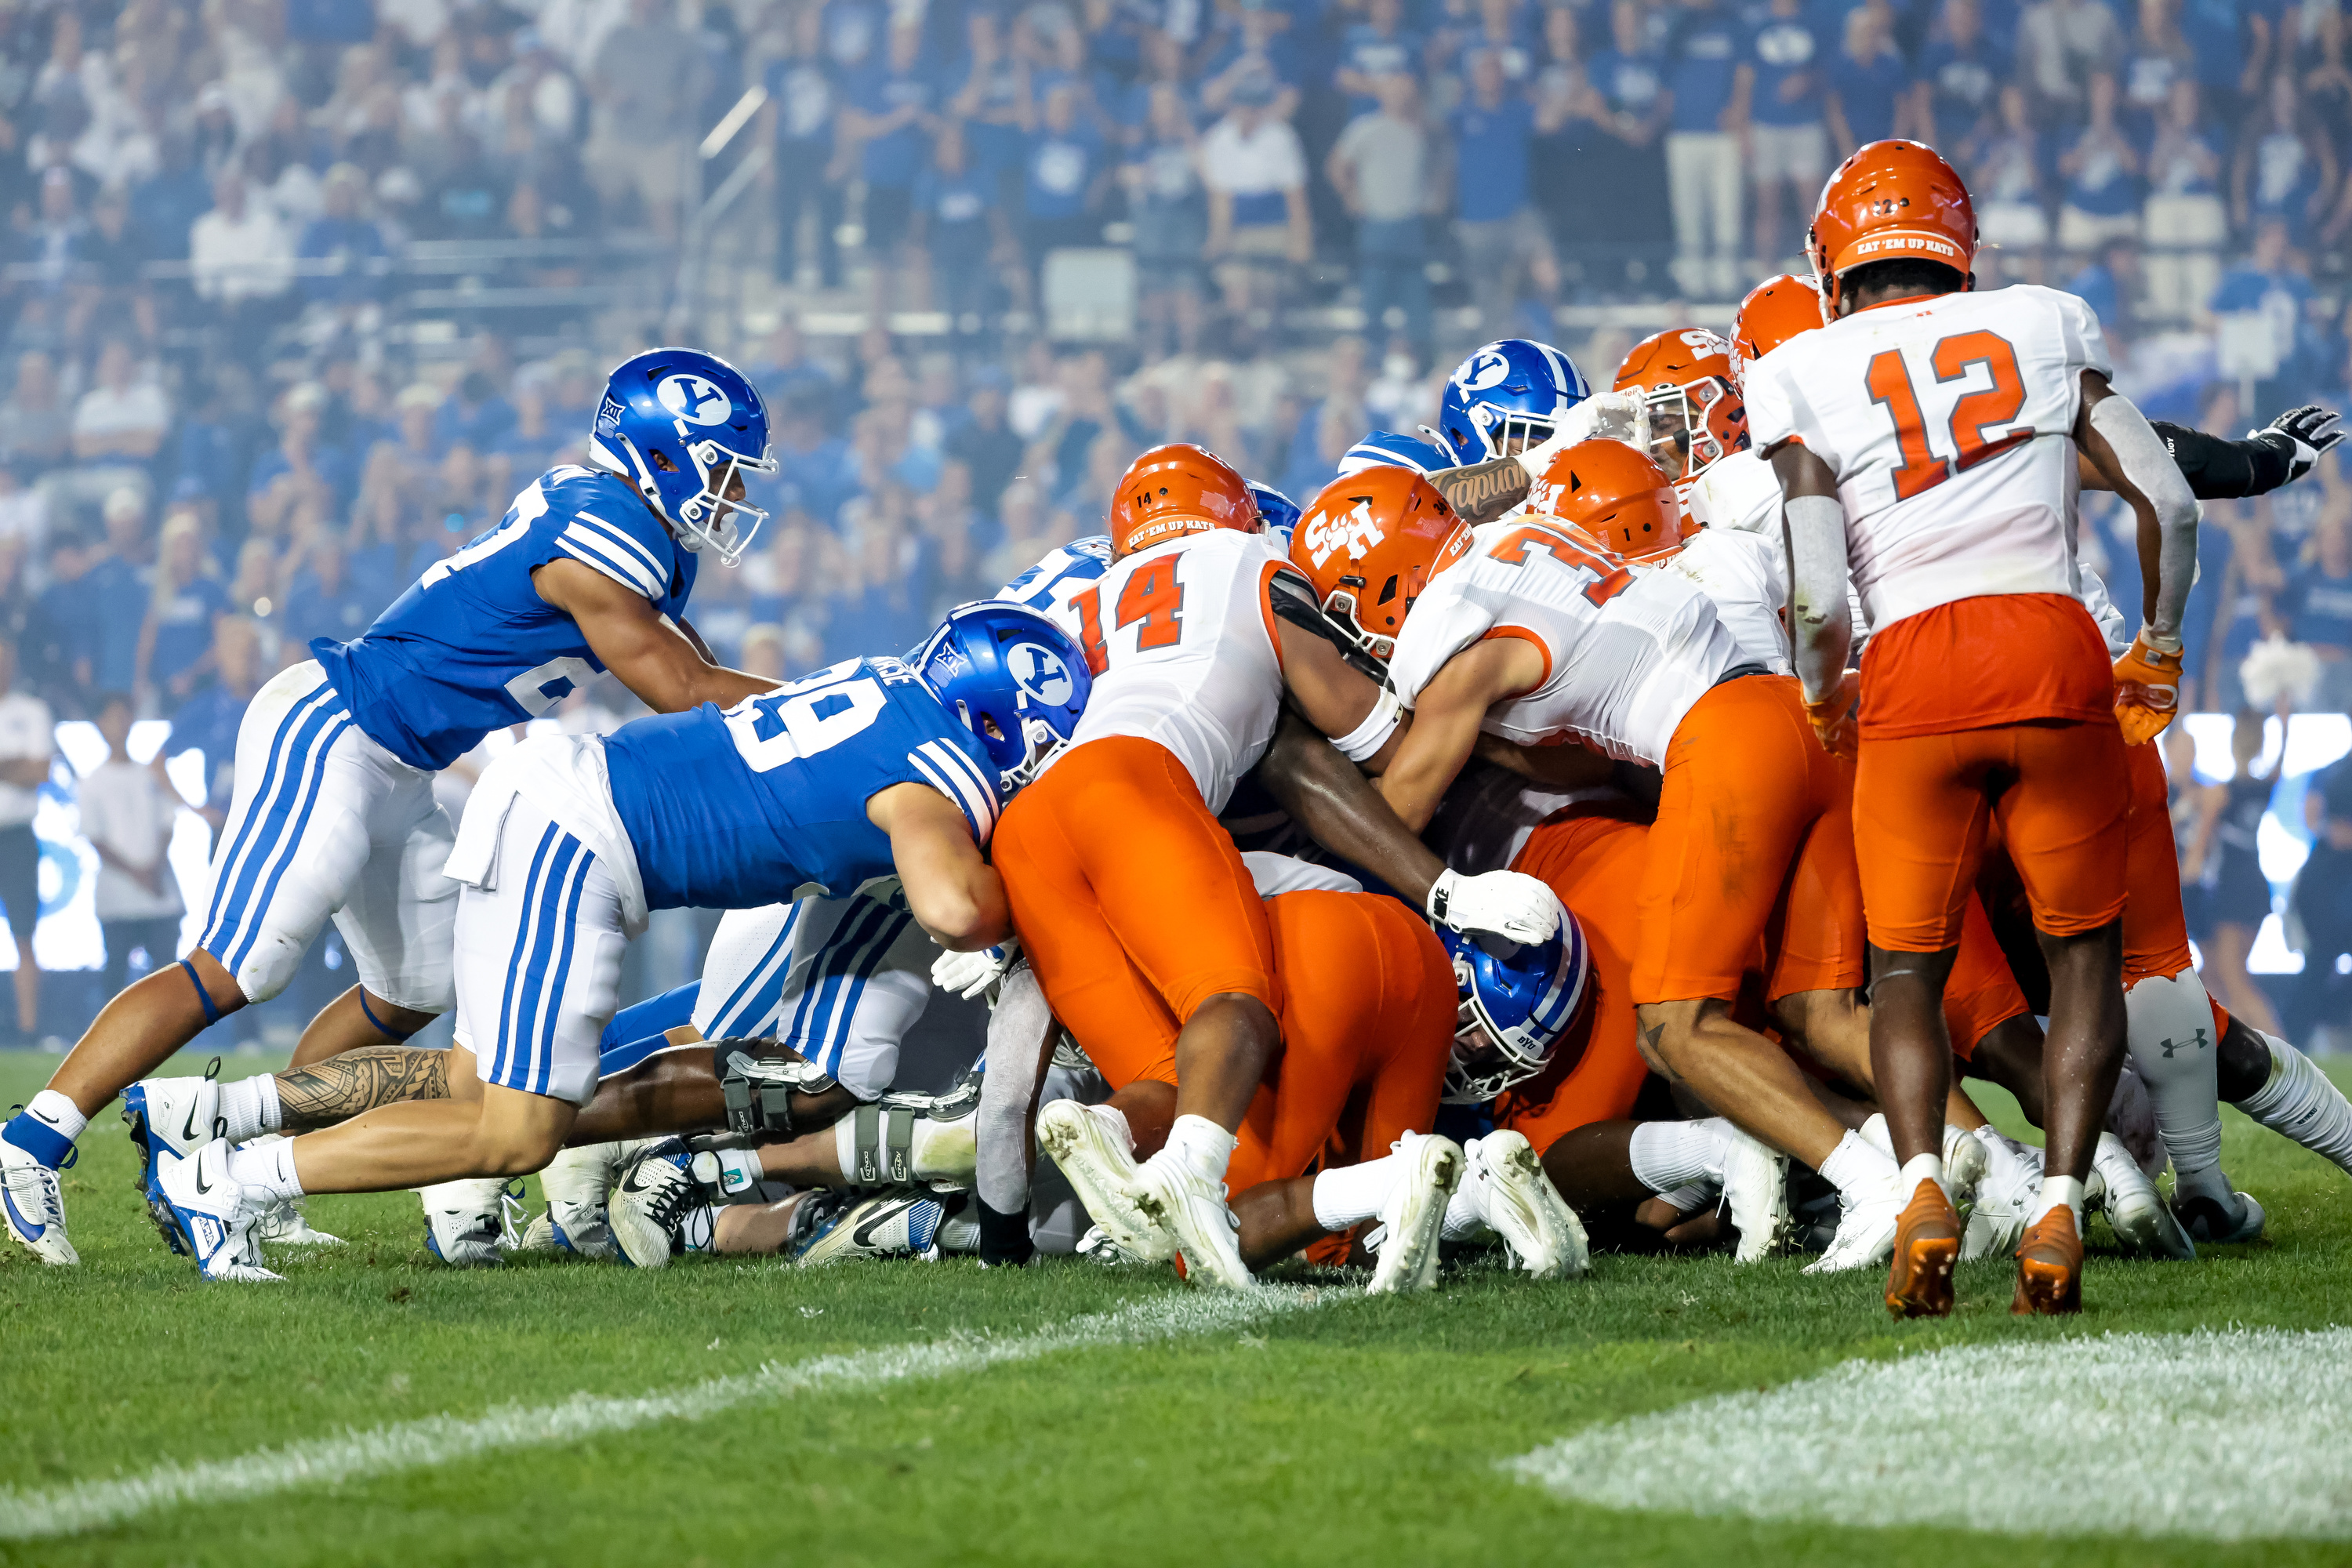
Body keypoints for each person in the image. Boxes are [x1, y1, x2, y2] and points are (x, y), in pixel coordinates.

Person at [0, 349, 783, 1269]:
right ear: (667, 451)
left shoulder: (623, 526)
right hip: (337, 726)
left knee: (412, 991)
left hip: (402, 763)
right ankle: (30, 1145)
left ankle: (244, 1164)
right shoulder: (605, 533)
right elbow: (685, 687)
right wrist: (841, 714)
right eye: (724, 466)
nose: (732, 492)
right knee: (234, 967)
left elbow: (702, 673)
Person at [145, 603, 1087, 1281]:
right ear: (998, 717)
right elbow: (956, 907)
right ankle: (227, 1180)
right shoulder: (937, 762)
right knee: (516, 1131)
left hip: (564, 814)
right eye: (1042, 737)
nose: (1038, 760)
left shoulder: (890, 688)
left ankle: (218, 1138)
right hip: (581, 842)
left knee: (483, 1091)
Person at [1750, 139, 2198, 1316]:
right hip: (2051, 644)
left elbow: (1810, 577)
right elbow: (2169, 498)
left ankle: (1920, 1193)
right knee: (2082, 954)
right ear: (1960, 246)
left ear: (1833, 258)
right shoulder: (2044, 322)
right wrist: (2157, 641)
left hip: (1909, 663)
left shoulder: (1801, 366)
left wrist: (1821, 683)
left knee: (1904, 971)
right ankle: (2058, 1207)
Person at [989, 444, 1562, 1287]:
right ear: (1238, 513)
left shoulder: (1086, 599)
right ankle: (1188, 1174)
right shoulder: (1255, 559)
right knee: (1238, 1008)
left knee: (1170, 1073)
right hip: (1142, 788)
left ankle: (1109, 1131)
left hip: (1029, 824)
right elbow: (1365, 736)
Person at [78, 691, 186, 1000]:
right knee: (116, 977)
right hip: (118, 899)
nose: (120, 723)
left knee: (167, 976)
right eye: (112, 716)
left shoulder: (150, 774)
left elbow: (168, 823)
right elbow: (94, 838)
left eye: (125, 715)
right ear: (99, 724)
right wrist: (139, 873)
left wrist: (155, 866)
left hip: (160, 894)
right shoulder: (92, 782)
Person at [0, 636, 54, 1044]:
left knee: (24, 935)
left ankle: (30, 1029)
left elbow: (39, 771)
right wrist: (12, 764)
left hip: (17, 835)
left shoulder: (31, 711)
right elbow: (26, 767)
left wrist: (20, 767)